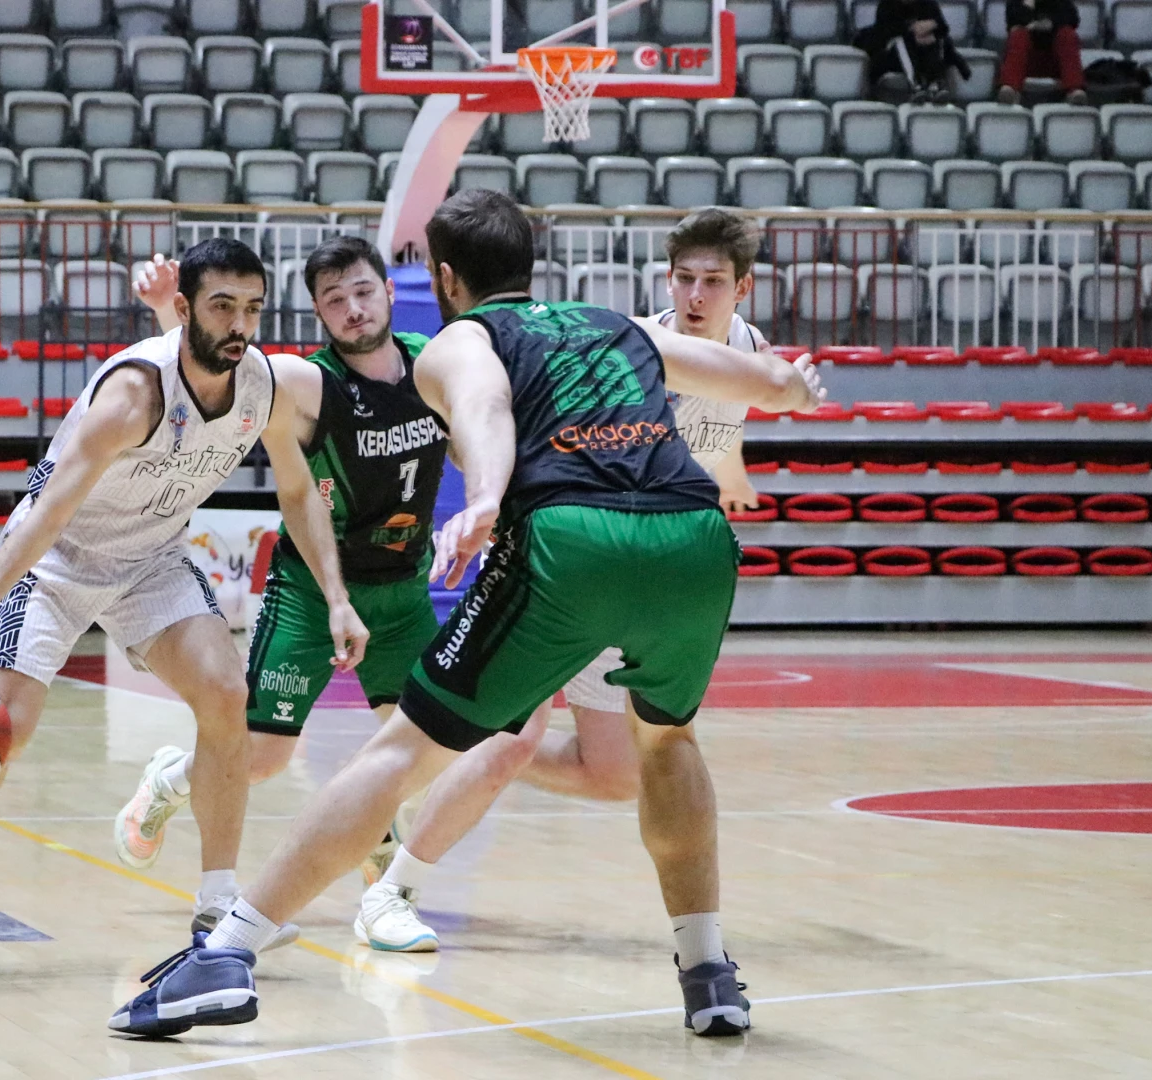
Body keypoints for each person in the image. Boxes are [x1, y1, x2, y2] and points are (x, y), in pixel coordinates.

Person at [107, 189, 825, 1038]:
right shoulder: (615, 324)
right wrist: (794, 389)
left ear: (444, 278)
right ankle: (707, 973)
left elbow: (482, 406)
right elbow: (766, 382)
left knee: (402, 749)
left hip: (571, 539)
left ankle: (225, 954)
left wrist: (483, 496)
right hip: (694, 542)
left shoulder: (461, 339)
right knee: (667, 744)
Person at [0, 238, 367, 955]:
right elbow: (48, 512)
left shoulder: (261, 388)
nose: (239, 324)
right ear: (184, 309)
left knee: (225, 692)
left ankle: (217, 906)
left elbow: (299, 492)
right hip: (57, 558)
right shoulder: (133, 394)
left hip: (151, 558)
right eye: (222, 306)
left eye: (251, 308)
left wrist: (336, 595)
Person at [352, 207, 780, 955]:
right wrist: (490, 495)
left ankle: (452, 755)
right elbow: (502, 419)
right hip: (561, 546)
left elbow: (725, 430)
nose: (696, 295)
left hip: (646, 565)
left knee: (611, 773)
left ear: (741, 289)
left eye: (713, 281)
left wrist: (733, 480)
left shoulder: (745, 351)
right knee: (512, 738)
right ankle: (393, 888)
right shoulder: (629, 345)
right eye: (684, 278)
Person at [111, 236, 449, 924]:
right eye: (334, 300)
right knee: (261, 756)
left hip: (404, 590)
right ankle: (173, 779)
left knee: (427, 750)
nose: (353, 309)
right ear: (320, 315)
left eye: (363, 291)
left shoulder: (434, 364)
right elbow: (214, 368)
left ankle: (380, 869)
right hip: (313, 591)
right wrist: (166, 311)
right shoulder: (305, 382)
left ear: (389, 291)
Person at [857, 0, 972, 103]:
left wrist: (932, 26)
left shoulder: (928, 4)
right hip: (894, 57)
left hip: (923, 51)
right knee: (901, 42)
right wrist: (913, 31)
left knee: (937, 41)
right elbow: (885, 32)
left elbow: (943, 29)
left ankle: (935, 85)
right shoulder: (887, 5)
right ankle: (915, 85)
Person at [997, 0, 1085, 106]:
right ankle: (1010, 90)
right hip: (1025, 62)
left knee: (1067, 35)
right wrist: (1028, 6)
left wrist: (1049, 24)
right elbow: (1014, 19)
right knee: (1018, 35)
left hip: (1056, 62)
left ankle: (1074, 90)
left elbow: (1072, 19)